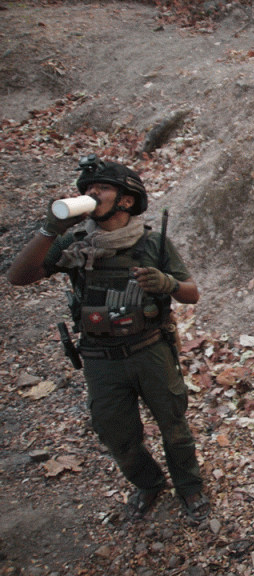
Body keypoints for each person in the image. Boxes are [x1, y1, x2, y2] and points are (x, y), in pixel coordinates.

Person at [6, 155, 208, 524]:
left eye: (101, 188)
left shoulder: (152, 244)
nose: (91, 193)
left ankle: (189, 486)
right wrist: (50, 230)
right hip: (101, 358)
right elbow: (19, 277)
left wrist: (168, 284)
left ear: (126, 200)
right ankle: (148, 484)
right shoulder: (76, 243)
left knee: (175, 427)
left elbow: (191, 293)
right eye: (87, 189)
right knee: (117, 435)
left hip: (150, 351)